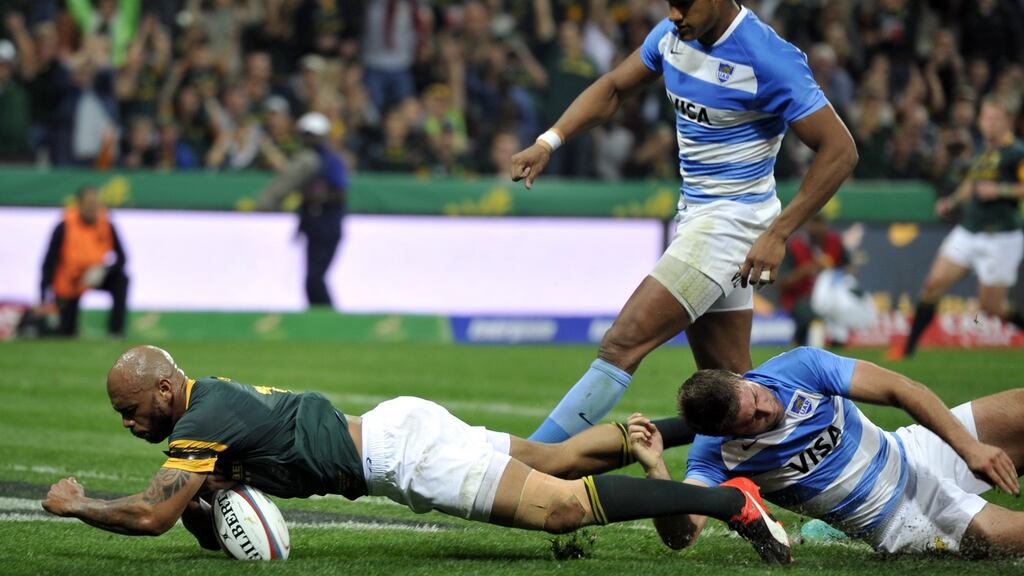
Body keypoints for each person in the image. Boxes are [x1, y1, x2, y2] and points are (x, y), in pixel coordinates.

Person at [40, 345, 792, 563]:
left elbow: (150, 516)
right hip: (398, 424)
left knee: (562, 507)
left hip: (403, 460)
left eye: (133, 413)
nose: (130, 427)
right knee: (558, 458)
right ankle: (711, 421)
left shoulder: (199, 420)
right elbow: (195, 519)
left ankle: (731, 500)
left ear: (166, 391)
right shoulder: (210, 410)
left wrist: (78, 507)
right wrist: (212, 509)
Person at [510, 0, 859, 442]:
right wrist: (548, 141)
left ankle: (527, 461)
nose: (674, 13)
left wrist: (778, 232)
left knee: (622, 343)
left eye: (684, 3)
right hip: (698, 218)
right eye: (670, 2)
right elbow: (614, 88)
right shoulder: (672, 36)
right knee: (733, 386)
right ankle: (811, 472)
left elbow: (840, 150)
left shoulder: (768, 58)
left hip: (733, 225)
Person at [627, 346, 1023, 556]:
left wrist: (969, 448)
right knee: (1004, 535)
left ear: (737, 378)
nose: (767, 408)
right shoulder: (714, 455)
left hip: (910, 449)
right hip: (901, 517)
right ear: (723, 434)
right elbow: (682, 537)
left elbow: (901, 389)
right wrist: (656, 470)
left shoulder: (798, 367)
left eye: (754, 395)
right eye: (752, 421)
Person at [889, 95, 1024, 360]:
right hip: (969, 230)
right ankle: (907, 349)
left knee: (991, 308)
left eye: (995, 119)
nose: (989, 123)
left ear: (1007, 122)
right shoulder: (984, 153)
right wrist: (951, 202)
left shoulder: (1017, 152)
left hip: (1001, 236)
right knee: (932, 286)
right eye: (985, 117)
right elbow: (970, 185)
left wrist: (1001, 189)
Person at [256, 111, 348, 307]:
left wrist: (308, 196)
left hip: (327, 225)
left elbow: (338, 192)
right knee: (312, 277)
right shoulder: (313, 160)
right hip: (315, 225)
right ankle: (319, 318)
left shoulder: (326, 161)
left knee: (315, 277)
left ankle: (328, 316)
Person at [40, 185, 129, 337]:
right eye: (89, 204)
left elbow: (122, 257)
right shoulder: (64, 226)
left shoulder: (107, 225)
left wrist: (104, 270)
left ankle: (115, 332)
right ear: (79, 204)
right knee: (65, 331)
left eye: (96, 204)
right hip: (69, 280)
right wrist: (43, 295)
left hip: (94, 275)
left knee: (121, 279)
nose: (93, 209)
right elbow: (49, 261)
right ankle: (68, 328)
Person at [777, 214, 876, 346]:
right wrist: (807, 270)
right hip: (803, 297)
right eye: (814, 223)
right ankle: (801, 341)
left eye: (820, 223)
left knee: (847, 304)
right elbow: (783, 282)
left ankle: (838, 341)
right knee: (806, 310)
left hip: (833, 295)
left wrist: (838, 273)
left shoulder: (835, 242)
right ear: (806, 225)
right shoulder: (795, 246)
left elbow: (850, 269)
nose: (817, 228)